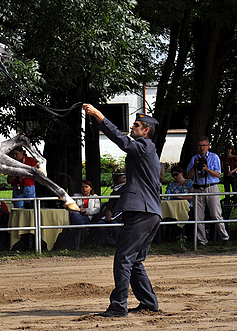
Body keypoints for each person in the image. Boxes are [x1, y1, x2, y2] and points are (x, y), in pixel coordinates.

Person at [84, 104, 161, 317]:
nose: (132, 127)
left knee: (123, 258)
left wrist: (99, 116)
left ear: (146, 131)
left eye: (136, 125)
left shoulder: (144, 146)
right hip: (151, 213)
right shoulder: (150, 153)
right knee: (135, 260)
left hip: (142, 213)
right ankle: (148, 302)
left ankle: (119, 306)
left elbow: (121, 139)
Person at [186, 136, 230, 246]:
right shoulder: (194, 158)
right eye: (200, 145)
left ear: (208, 146)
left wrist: (207, 169)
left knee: (216, 214)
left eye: (204, 145)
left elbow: (218, 174)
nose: (202, 148)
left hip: (211, 186)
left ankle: (225, 238)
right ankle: (202, 241)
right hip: (198, 187)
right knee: (198, 215)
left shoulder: (214, 157)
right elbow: (188, 175)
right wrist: (195, 166)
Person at [69, 180, 101, 249]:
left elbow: (97, 209)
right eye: (83, 187)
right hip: (78, 216)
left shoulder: (95, 197)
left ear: (91, 188)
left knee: (76, 224)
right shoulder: (76, 196)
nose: (84, 189)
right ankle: (83, 228)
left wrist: (85, 210)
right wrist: (79, 212)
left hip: (89, 217)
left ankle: (76, 246)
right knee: (74, 215)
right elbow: (72, 207)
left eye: (86, 187)